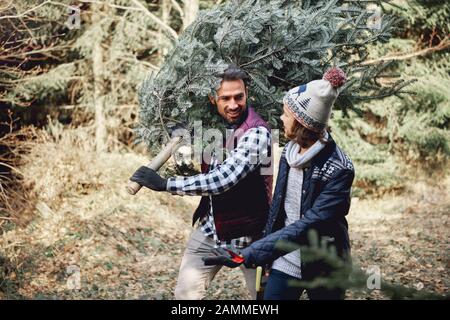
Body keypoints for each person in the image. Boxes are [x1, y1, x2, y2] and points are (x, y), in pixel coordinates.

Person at [203, 67, 355, 300]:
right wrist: (265, 254)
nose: (282, 118)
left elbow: (309, 224)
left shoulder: (339, 169)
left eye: (286, 114)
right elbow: (279, 209)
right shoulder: (289, 153)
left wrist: (250, 253)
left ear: (302, 122)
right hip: (286, 259)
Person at [130, 65, 273, 300]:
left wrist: (166, 184)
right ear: (212, 98)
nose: (233, 104)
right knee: (185, 296)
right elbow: (202, 161)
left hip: (250, 234)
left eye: (239, 96)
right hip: (211, 228)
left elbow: (224, 178)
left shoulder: (257, 133)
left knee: (265, 300)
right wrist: (182, 135)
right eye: (225, 98)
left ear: (247, 93)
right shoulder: (212, 123)